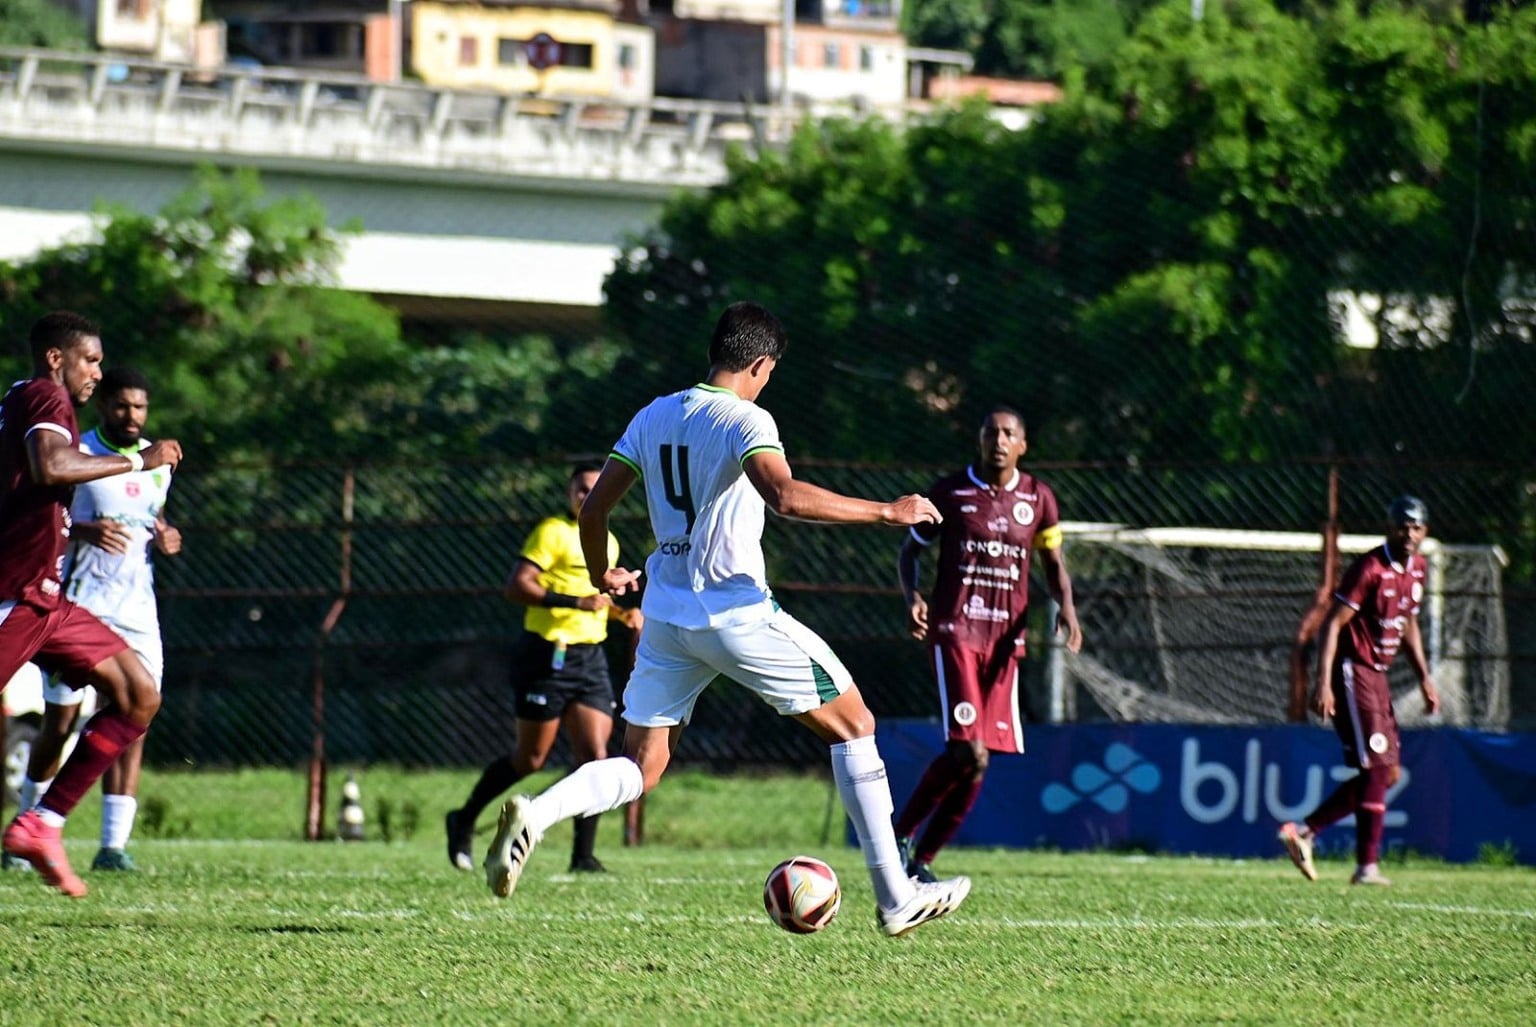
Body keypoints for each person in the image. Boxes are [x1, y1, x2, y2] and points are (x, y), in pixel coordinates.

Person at [483, 301, 971, 936]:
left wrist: (606, 571)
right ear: (761, 364)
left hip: (666, 619)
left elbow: (593, 512)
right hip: (736, 614)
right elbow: (786, 495)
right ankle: (896, 896)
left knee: (643, 766)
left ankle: (538, 813)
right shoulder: (747, 418)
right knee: (855, 724)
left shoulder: (653, 414)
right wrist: (888, 512)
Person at [0, 311, 182, 897]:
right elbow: (51, 465)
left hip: (48, 601)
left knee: (137, 695)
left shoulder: (30, 400)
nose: (97, 374)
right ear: (57, 358)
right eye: (92, 360)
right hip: (13, 594)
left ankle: (42, 824)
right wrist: (137, 460)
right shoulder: (47, 396)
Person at [892, 406, 1084, 882]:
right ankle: (897, 838)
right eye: (990, 432)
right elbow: (910, 551)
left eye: (1008, 433)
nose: (998, 440)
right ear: (979, 440)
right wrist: (913, 596)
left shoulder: (1038, 499)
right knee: (967, 751)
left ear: (1023, 445)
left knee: (978, 764)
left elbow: (1054, 565)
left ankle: (921, 861)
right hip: (956, 632)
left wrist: (1068, 611)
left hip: (1005, 643)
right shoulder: (950, 493)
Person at [445, 461, 642, 875]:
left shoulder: (610, 542)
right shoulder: (552, 531)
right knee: (530, 757)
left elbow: (596, 603)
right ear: (569, 493)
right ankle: (463, 819)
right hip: (547, 655)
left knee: (595, 758)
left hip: (590, 659)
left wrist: (621, 615)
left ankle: (583, 856)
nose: (586, 496)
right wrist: (575, 604)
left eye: (595, 488)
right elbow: (518, 586)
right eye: (580, 489)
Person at [1279, 495, 1439, 886]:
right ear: (1390, 527)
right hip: (1354, 672)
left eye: (1416, 527)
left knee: (1387, 774)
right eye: (1403, 525)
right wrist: (1323, 684)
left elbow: (1408, 624)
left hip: (1378, 676)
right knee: (1377, 767)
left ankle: (1305, 832)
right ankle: (1366, 866)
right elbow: (1333, 624)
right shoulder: (1370, 568)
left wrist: (1424, 678)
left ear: (1425, 532)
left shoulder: (1417, 569)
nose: (1409, 533)